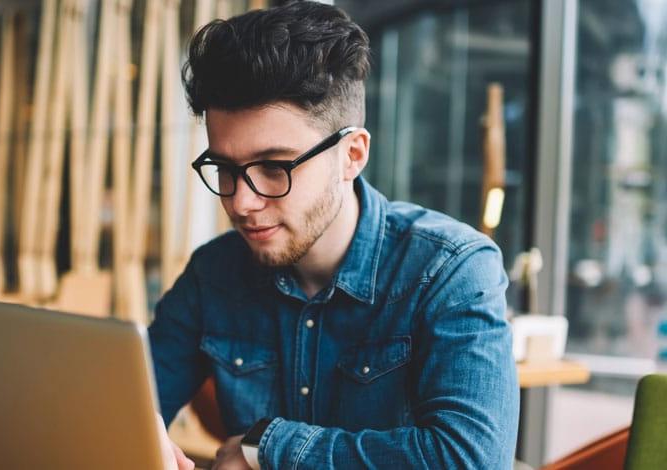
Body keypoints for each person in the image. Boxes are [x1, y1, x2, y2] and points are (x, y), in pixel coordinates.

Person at [149, 1, 519, 468]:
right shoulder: (213, 273)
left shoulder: (451, 270)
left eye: (273, 167)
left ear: (352, 155)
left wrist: (271, 448)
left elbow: (470, 460)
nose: (241, 202)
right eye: (224, 168)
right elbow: (128, 408)